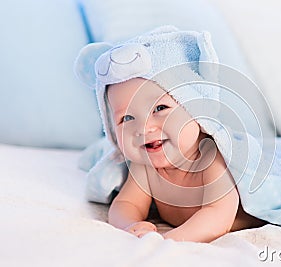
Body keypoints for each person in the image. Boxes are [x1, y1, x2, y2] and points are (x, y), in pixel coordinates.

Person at [75, 26, 265, 243]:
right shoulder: (146, 166)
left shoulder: (212, 159)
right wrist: (130, 224)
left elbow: (218, 214)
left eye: (159, 109)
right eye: (126, 118)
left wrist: (171, 240)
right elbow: (126, 204)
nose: (144, 128)